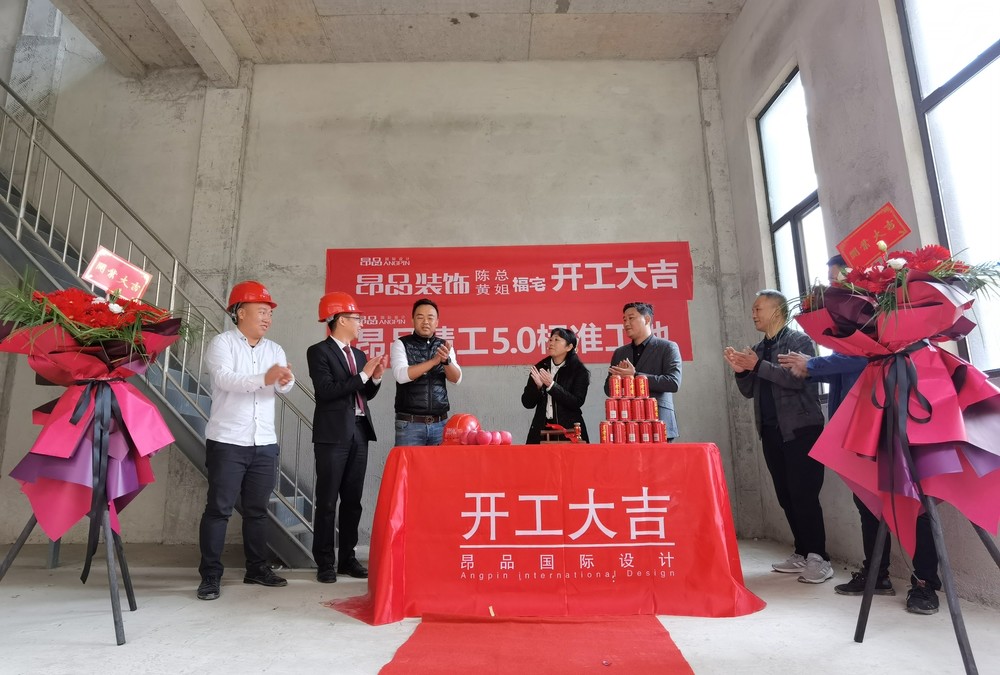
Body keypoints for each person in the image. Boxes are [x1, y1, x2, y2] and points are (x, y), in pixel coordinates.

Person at [778, 255, 940, 613]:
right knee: (867, 503)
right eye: (831, 282)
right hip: (854, 422)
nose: (834, 288)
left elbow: (869, 355)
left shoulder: (886, 313)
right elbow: (850, 357)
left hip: (890, 418)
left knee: (914, 503)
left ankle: (926, 583)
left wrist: (812, 364)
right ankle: (877, 573)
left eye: (840, 280)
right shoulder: (848, 325)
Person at [724, 289, 832, 584]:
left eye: (758, 308)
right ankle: (802, 552)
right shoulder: (757, 349)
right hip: (771, 431)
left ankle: (819, 558)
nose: (753, 314)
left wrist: (757, 366)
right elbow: (749, 391)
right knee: (785, 495)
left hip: (801, 429)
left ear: (776, 310)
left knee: (804, 493)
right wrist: (742, 372)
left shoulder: (799, 341)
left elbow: (795, 380)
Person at [197, 280, 295, 601]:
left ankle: (256, 568)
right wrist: (264, 378)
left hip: (264, 442)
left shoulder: (274, 349)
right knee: (219, 509)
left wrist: (284, 379)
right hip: (228, 441)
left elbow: (283, 387)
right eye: (262, 311)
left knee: (257, 510)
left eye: (270, 313)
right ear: (240, 312)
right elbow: (225, 379)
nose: (268, 318)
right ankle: (210, 575)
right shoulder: (222, 343)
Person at [307, 291, 387, 584]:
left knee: (353, 501)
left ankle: (347, 559)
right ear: (341, 320)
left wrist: (375, 378)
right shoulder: (318, 352)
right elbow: (327, 391)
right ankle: (325, 562)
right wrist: (363, 376)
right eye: (356, 318)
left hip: (359, 431)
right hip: (332, 435)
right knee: (328, 501)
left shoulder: (360, 355)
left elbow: (363, 394)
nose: (361, 323)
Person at [604, 302, 682, 440]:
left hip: (658, 421)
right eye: (624, 319)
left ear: (647, 319)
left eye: (631, 318)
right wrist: (616, 380)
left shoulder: (667, 347)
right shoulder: (620, 353)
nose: (626, 323)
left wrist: (635, 376)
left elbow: (673, 383)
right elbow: (608, 390)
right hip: (627, 424)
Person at [390, 298, 462, 446]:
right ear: (412, 320)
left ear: (437, 322)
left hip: (440, 424)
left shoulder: (443, 346)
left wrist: (446, 362)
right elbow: (401, 375)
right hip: (410, 425)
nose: (425, 322)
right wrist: (434, 362)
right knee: (409, 462)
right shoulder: (401, 343)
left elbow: (456, 379)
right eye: (420, 317)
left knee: (441, 463)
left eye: (430, 318)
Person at [521, 327, 591, 444]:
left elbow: (577, 402)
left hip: (570, 431)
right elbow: (527, 403)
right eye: (550, 339)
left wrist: (552, 386)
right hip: (541, 430)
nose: (551, 343)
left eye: (557, 340)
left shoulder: (579, 371)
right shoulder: (540, 367)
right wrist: (538, 388)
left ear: (569, 347)